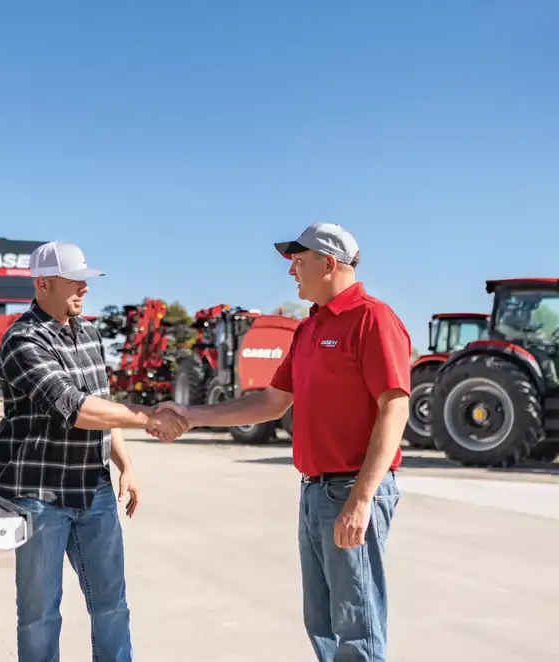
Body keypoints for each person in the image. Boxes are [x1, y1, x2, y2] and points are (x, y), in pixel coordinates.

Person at [160, 222, 411, 662]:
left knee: (356, 622)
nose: (292, 272)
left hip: (351, 488)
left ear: (329, 262)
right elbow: (272, 402)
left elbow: (395, 407)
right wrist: (193, 415)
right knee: (323, 621)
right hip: (315, 490)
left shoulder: (372, 318)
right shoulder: (309, 328)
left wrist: (361, 498)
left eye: (298, 262)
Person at [0, 240, 188, 662]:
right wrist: (149, 415)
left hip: (93, 492)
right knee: (40, 614)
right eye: (74, 281)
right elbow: (76, 409)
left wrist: (126, 466)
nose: (84, 288)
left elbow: (105, 409)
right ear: (43, 283)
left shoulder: (91, 335)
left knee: (112, 605)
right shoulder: (23, 341)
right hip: (40, 495)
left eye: (85, 281)